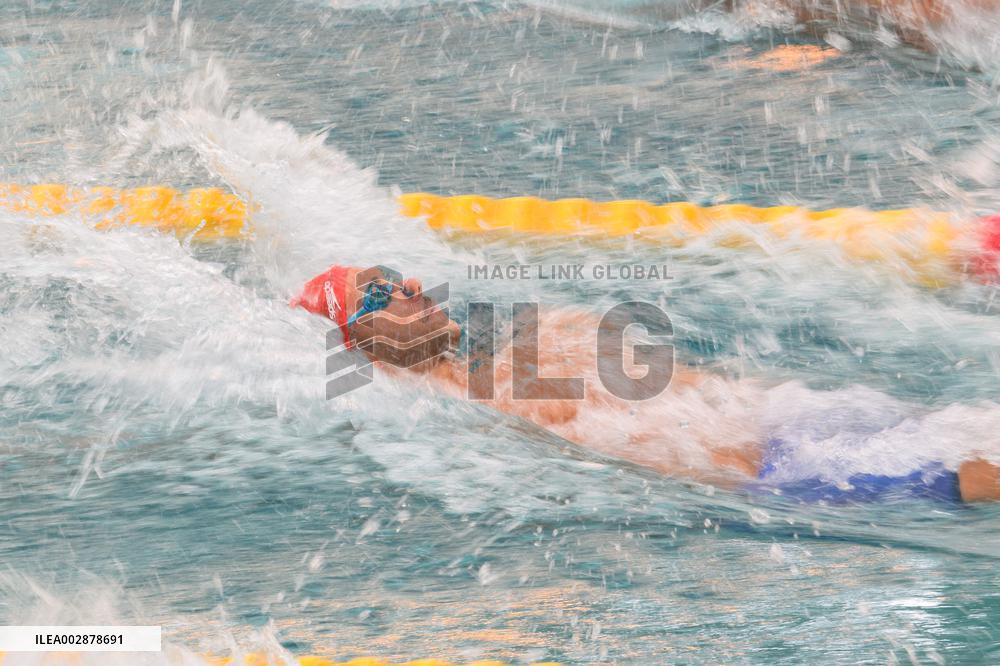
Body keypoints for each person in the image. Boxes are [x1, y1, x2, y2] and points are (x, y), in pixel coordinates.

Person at [291, 263, 1000, 503]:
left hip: (795, 420)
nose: (410, 285)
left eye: (397, 273)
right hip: (782, 475)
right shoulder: (442, 410)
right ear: (360, 346)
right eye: (380, 294)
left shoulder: (517, 347)